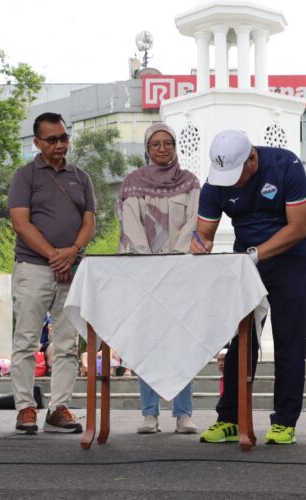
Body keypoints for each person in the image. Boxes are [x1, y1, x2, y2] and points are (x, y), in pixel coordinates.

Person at [191, 129, 306, 445]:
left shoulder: (286, 165)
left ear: (253, 158)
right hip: (245, 259)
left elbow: (298, 227)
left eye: (237, 174)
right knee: (241, 338)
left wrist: (256, 254)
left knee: (289, 338)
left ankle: (284, 422)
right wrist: (198, 245)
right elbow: (204, 232)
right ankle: (230, 418)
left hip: (291, 257)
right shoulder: (216, 181)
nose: (231, 182)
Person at [8, 112, 96, 435]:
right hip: (33, 267)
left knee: (67, 343)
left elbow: (89, 221)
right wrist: (53, 256)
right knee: (27, 340)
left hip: (71, 269)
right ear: (37, 142)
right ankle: (25, 407)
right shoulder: (25, 176)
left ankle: (59, 408)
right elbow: (20, 223)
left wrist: (71, 253)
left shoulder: (81, 177)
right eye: (52, 139)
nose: (60, 144)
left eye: (64, 138)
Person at [117, 122, 201, 435]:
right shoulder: (133, 183)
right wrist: (149, 262)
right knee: (147, 343)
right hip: (144, 274)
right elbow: (132, 225)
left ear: (175, 146)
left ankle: (183, 415)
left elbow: (194, 222)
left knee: (182, 343)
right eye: (156, 144)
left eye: (168, 143)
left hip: (179, 273)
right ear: (147, 149)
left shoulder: (190, 182)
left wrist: (174, 260)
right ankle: (149, 415)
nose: (162, 149)